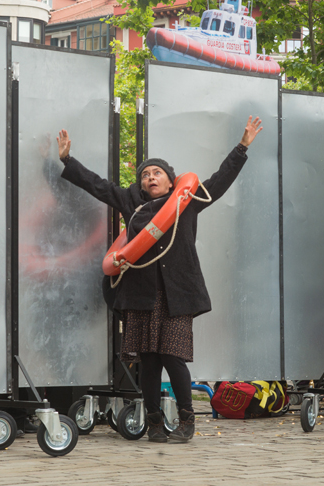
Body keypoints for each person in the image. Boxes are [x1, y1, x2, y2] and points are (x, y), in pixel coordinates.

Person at [56, 115, 262, 443]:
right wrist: (67, 159)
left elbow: (220, 181)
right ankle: (153, 424)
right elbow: (97, 184)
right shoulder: (132, 203)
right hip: (141, 294)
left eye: (157, 173)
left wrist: (242, 147)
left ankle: (186, 421)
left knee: (172, 357)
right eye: (146, 175)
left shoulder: (187, 203)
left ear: (171, 181)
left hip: (177, 293)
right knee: (148, 362)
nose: (151, 178)